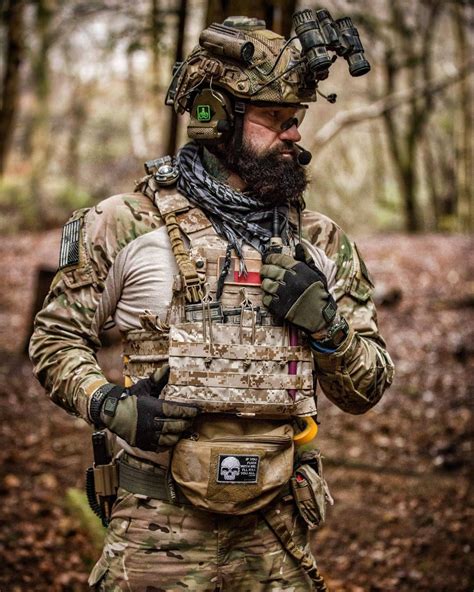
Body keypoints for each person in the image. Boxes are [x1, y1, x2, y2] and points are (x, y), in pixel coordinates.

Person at [30, 11, 394, 592]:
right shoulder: (126, 224)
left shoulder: (319, 243)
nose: (294, 134)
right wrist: (108, 404)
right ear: (215, 117)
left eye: (296, 119)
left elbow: (367, 389)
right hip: (155, 537)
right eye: (276, 118)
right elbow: (54, 339)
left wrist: (329, 329)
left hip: (276, 537)